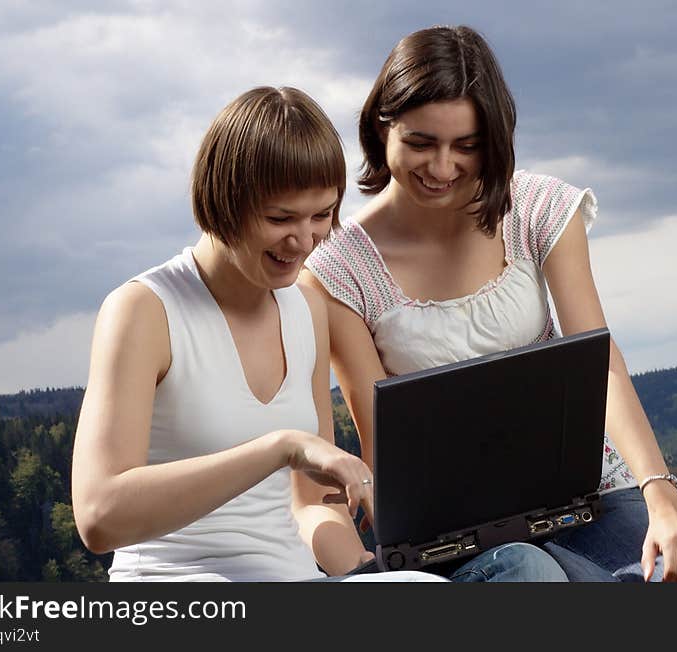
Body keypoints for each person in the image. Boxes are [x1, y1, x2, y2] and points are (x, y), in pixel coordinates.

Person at [302, 25, 677, 582]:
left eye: (467, 146)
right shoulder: (339, 268)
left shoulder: (536, 209)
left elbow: (601, 364)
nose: (442, 167)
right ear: (381, 128)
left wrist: (662, 498)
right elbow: (382, 439)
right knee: (534, 577)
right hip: (454, 530)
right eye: (421, 142)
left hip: (585, 493)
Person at [71, 86, 451, 582]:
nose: (304, 240)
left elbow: (316, 505)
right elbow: (100, 518)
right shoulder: (144, 310)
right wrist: (280, 447)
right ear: (222, 199)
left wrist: (363, 573)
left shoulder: (308, 308)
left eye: (321, 215)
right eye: (280, 218)